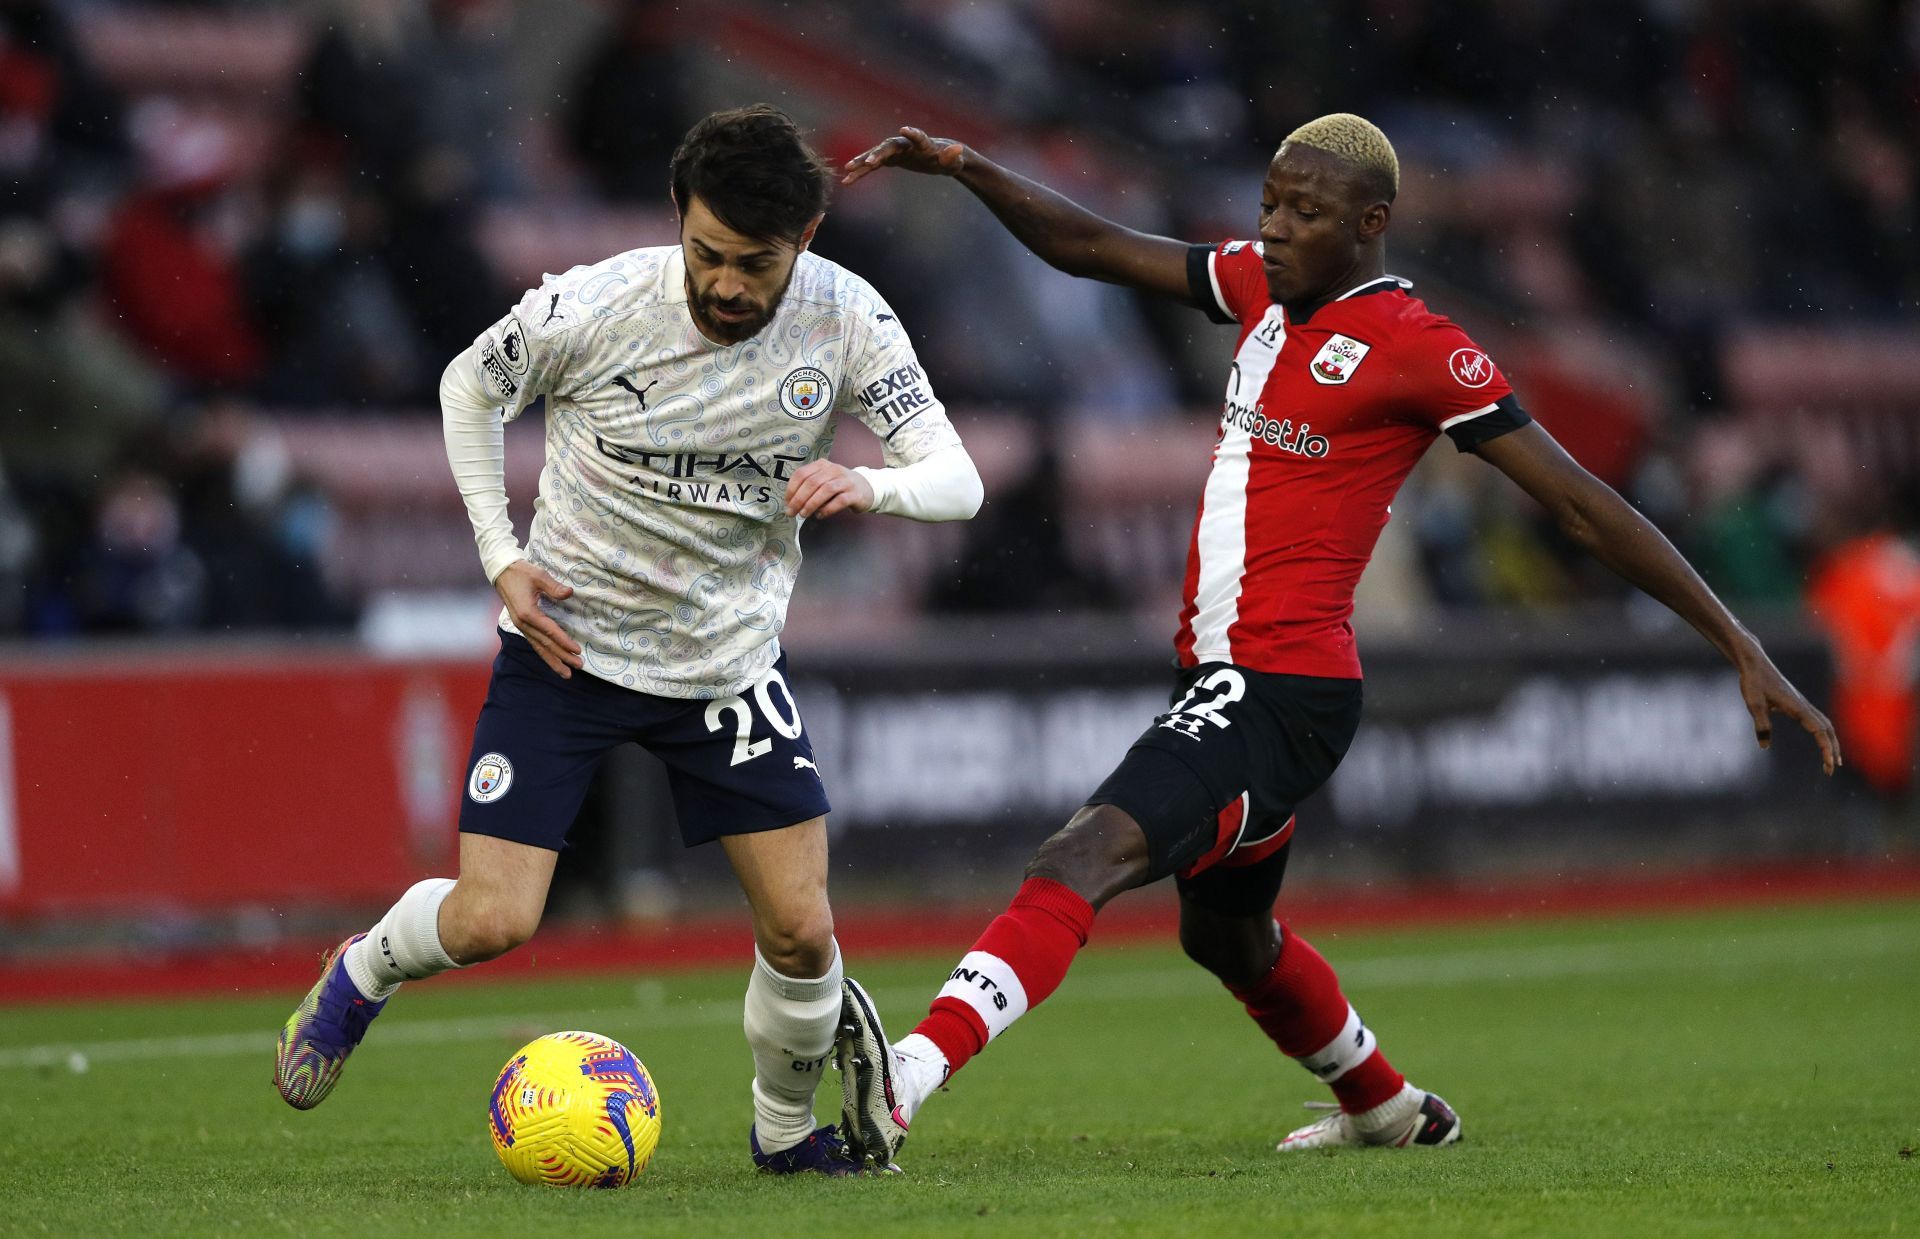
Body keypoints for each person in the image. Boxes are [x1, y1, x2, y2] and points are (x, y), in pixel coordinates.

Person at [831, 114, 1840, 1165]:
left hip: (1277, 686)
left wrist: (1735, 640)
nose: (1273, 228)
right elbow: (1090, 248)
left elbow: (1582, 504)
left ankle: (905, 1077)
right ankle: (1387, 1106)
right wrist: (966, 166)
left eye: (1304, 212)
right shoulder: (1260, 288)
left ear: (1370, 224)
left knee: (1085, 852)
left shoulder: (1421, 349)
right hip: (1236, 680)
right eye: (1269, 202)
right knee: (1227, 935)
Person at [273, 105, 984, 1177]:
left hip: (726, 668)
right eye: (708, 254)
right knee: (492, 922)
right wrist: (497, 556)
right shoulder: (594, 304)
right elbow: (470, 384)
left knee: (804, 934)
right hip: (569, 650)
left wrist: (869, 481)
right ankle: (361, 975)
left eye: (758, 263)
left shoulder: (849, 321)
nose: (730, 285)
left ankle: (785, 1135)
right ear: (675, 220)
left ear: (809, 238)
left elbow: (960, 478)